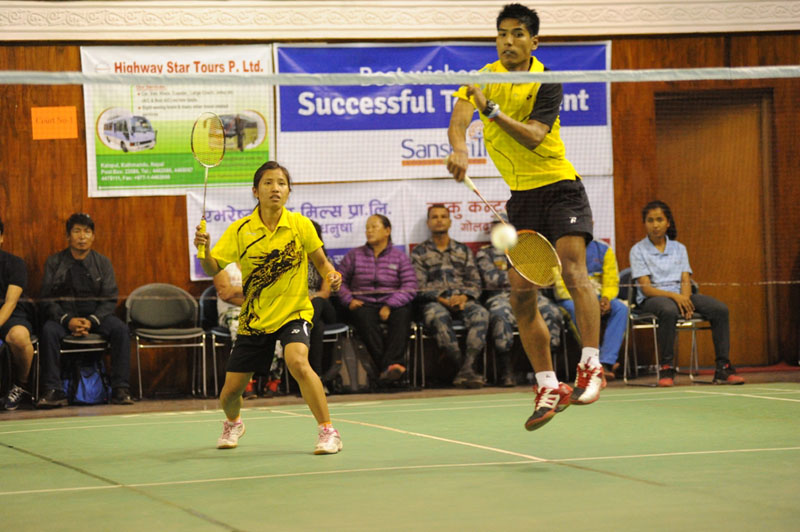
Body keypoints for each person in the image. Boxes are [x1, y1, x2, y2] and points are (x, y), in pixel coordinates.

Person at [446, 3, 602, 430]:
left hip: (561, 189)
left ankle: (591, 365)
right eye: (502, 34)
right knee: (519, 294)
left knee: (573, 271)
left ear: (534, 41)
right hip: (523, 199)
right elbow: (459, 119)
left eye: (518, 34)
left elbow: (534, 136)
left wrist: (492, 111)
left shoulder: (546, 81)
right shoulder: (481, 78)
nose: (508, 41)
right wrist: (460, 149)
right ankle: (549, 384)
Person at [194, 161, 344, 454]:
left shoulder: (300, 225)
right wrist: (204, 249)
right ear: (255, 191)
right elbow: (213, 266)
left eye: (281, 183)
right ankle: (234, 422)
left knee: (298, 362)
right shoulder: (240, 230)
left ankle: (328, 431)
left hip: (294, 311)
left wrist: (332, 275)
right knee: (230, 393)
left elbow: (322, 262)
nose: (275, 188)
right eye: (268, 183)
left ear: (288, 191)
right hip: (256, 317)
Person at [630, 200, 745, 387]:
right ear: (645, 224)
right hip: (653, 300)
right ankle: (666, 368)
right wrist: (678, 298)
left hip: (681, 297)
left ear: (668, 222)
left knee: (720, 309)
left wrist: (685, 298)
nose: (655, 224)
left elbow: (686, 280)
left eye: (659, 219)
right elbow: (646, 288)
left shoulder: (679, 248)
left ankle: (723, 368)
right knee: (668, 310)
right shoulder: (638, 250)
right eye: (650, 220)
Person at [36, 213, 133, 408]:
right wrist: (66, 320)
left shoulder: (102, 263)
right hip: (63, 316)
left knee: (121, 329)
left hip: (96, 317)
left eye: (87, 232)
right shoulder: (54, 262)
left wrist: (92, 321)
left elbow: (109, 299)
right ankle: (53, 390)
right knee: (48, 331)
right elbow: (46, 299)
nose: (82, 237)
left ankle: (120, 389)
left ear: (93, 236)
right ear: (68, 236)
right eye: (77, 231)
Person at [476, 214, 564, 387]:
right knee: (500, 316)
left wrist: (524, 278)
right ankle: (507, 371)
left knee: (552, 312)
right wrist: (522, 276)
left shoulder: (527, 248)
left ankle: (542, 370)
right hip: (500, 296)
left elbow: (539, 275)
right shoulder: (484, 252)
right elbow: (491, 279)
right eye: (496, 226)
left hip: (532, 294)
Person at [411, 204, 488, 388]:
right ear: (428, 223)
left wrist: (464, 297)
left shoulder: (463, 250)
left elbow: (475, 282)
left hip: (462, 301)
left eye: (443, 216)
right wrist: (442, 299)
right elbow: (418, 286)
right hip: (435, 302)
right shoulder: (419, 253)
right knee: (437, 316)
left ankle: (467, 367)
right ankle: (464, 369)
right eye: (435, 217)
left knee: (482, 314)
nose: (439, 220)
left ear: (450, 221)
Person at [337, 214, 417, 383]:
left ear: (387, 231)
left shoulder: (399, 257)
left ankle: (386, 369)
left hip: (392, 303)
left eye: (374, 227)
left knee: (403, 314)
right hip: (363, 304)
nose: (369, 231)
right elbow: (339, 281)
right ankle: (391, 368)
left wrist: (390, 305)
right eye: (367, 227)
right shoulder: (354, 256)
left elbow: (410, 286)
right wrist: (349, 300)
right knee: (363, 317)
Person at [555, 238, 627, 381]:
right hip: (572, 299)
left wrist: (606, 298)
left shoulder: (604, 249)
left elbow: (611, 279)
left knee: (621, 309)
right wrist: (588, 303)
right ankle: (596, 362)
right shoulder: (560, 250)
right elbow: (560, 286)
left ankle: (606, 362)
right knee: (577, 308)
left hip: (600, 297)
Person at [0, 217, 37, 411]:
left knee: (19, 337)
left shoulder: (15, 264)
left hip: (11, 316)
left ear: (2, 238)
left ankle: (21, 385)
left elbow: (10, 302)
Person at [307, 220, 338, 382]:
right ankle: (316, 378)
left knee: (317, 303)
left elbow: (325, 293)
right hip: (301, 308)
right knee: (317, 328)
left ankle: (306, 324)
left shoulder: (324, 262)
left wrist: (312, 297)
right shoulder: (292, 262)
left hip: (322, 306)